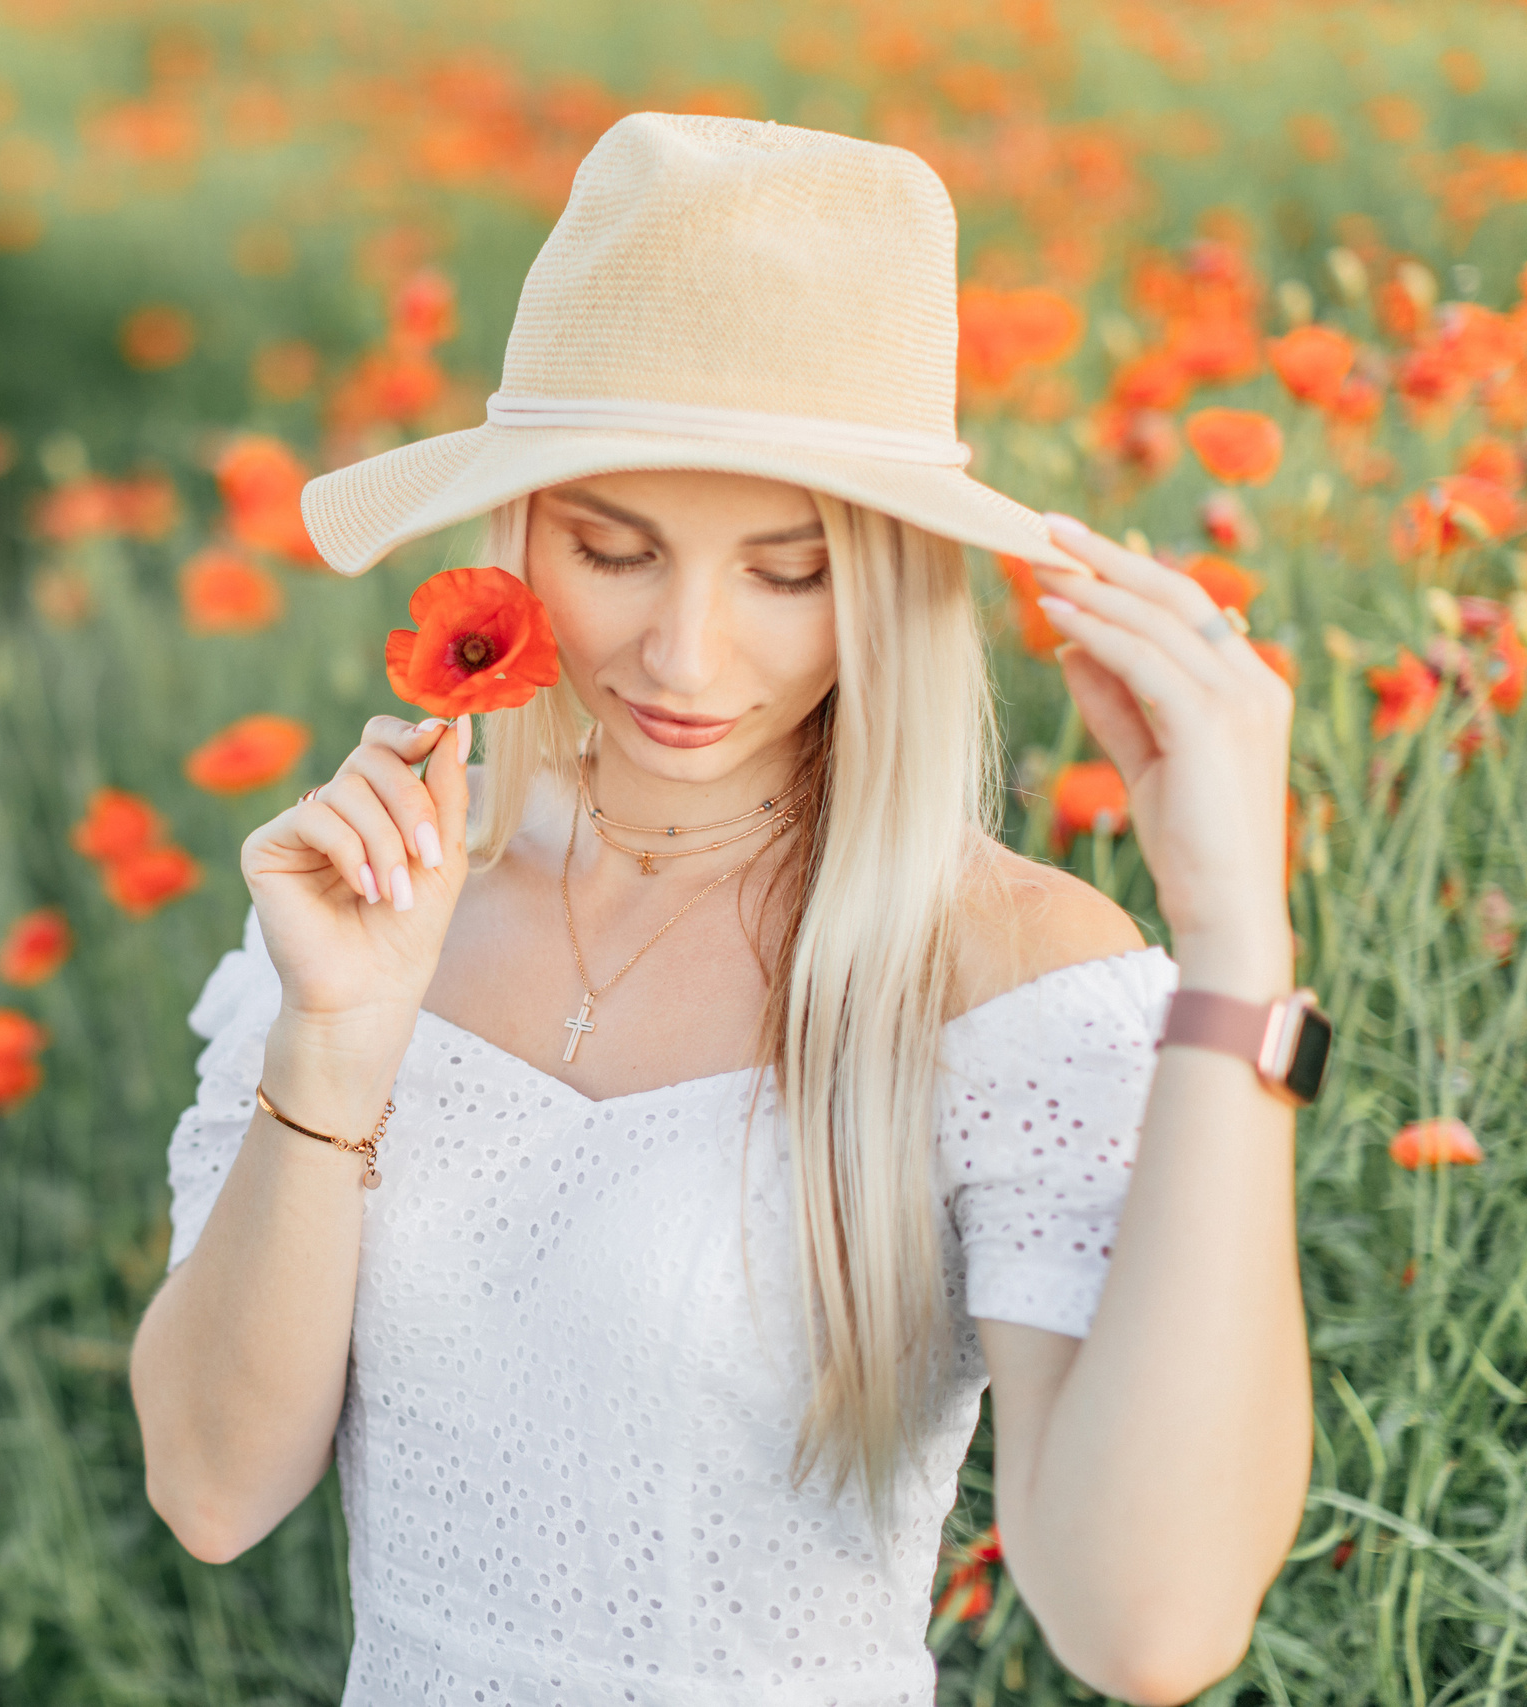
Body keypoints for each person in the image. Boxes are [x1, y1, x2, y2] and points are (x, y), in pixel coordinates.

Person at [126, 114, 1319, 1706]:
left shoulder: (1010, 981)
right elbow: (210, 1492)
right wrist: (334, 1048)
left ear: (890, 582)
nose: (686, 659)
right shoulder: (382, 898)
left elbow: (1148, 1631)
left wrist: (1240, 959)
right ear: (522, 525)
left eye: (788, 573)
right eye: (614, 549)